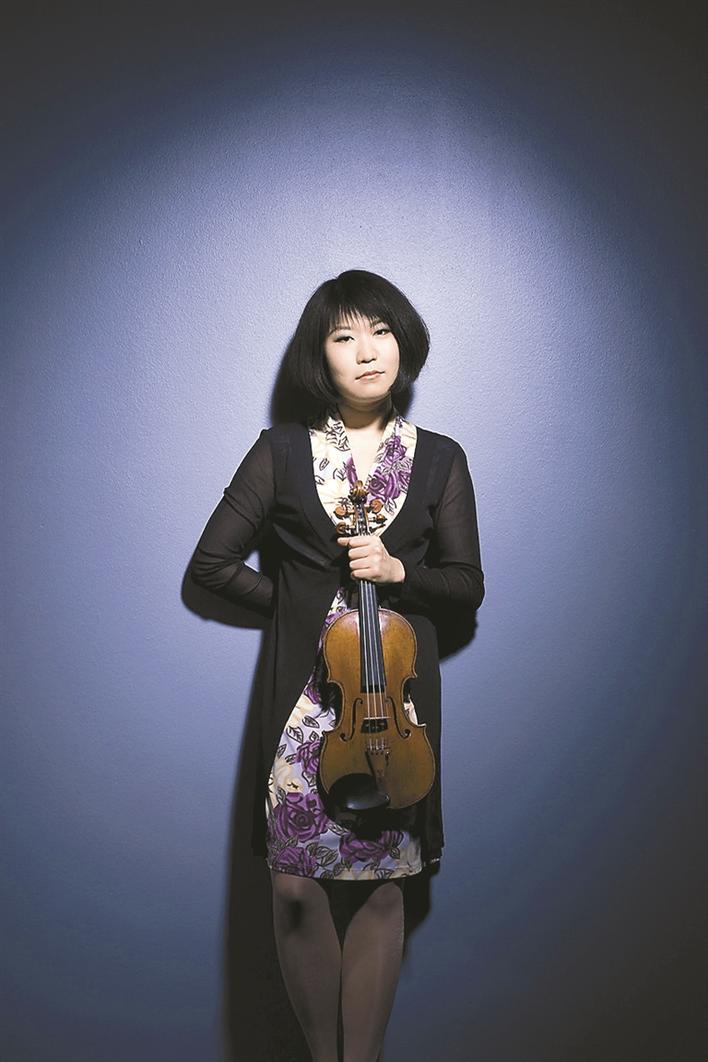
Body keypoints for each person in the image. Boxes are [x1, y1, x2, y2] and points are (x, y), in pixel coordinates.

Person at [189, 269, 485, 1062]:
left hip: (392, 703)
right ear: (319, 355)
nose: (367, 351)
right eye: (345, 335)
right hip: (307, 703)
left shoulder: (440, 459)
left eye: (381, 332)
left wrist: (399, 573)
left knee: (385, 888)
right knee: (293, 888)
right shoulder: (282, 452)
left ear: (404, 344)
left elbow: (467, 585)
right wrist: (300, 608)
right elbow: (212, 565)